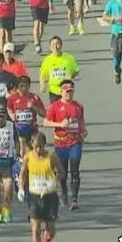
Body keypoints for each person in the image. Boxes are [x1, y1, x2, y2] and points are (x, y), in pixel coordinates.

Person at [19, 132, 64, 242]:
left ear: (45, 145)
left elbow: (62, 172)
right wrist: (21, 188)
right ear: (32, 144)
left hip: (50, 196)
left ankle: (48, 237)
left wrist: (56, 176)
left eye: (41, 146)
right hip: (34, 197)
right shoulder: (28, 157)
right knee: (35, 228)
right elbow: (23, 173)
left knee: (51, 228)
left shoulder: (51, 157)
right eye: (36, 146)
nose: (38, 150)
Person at [43, 80, 86, 211]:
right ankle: (64, 193)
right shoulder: (55, 106)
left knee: (74, 170)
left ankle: (74, 199)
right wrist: (59, 124)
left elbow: (81, 121)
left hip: (75, 142)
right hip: (60, 143)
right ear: (61, 91)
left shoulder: (78, 106)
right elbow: (45, 122)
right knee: (62, 172)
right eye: (66, 92)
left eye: (71, 91)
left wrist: (84, 130)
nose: (68, 94)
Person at [39, 36, 80, 104]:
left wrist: (71, 76)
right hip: (54, 91)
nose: (55, 46)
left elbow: (76, 70)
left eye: (57, 44)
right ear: (50, 47)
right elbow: (42, 75)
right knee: (55, 112)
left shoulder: (69, 58)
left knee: (67, 111)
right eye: (53, 44)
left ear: (61, 45)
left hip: (67, 90)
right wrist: (42, 85)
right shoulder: (47, 60)